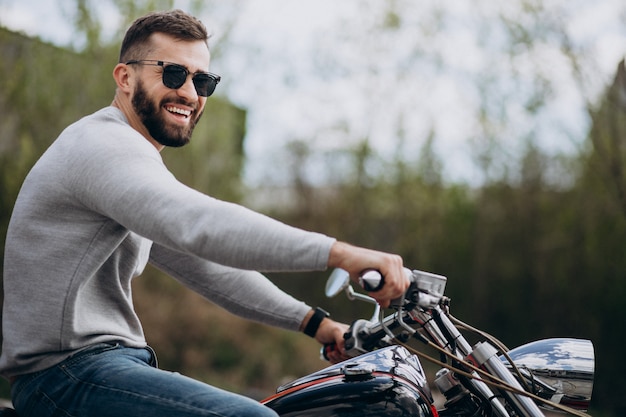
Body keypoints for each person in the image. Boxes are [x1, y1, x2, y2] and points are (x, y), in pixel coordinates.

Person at [0, 9, 410, 417]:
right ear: (125, 78)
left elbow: (204, 264)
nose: (191, 95)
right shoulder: (101, 147)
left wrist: (314, 323)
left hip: (99, 367)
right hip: (64, 374)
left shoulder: (126, 159)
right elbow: (200, 225)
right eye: (173, 74)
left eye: (203, 80)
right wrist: (340, 254)